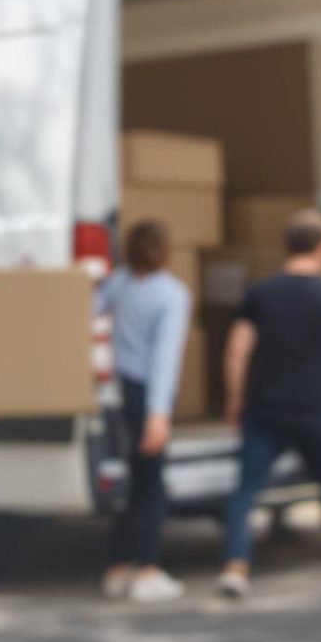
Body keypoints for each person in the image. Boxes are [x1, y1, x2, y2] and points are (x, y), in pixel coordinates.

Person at [220, 209, 321, 598]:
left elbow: (236, 351)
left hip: (265, 407)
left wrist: (234, 398)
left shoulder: (259, 294)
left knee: (246, 489)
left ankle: (236, 564)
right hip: (315, 408)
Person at [95, 220, 194, 602]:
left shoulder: (117, 283)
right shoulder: (171, 294)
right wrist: (159, 413)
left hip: (121, 390)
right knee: (152, 486)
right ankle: (148, 570)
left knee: (131, 485)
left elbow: (85, 308)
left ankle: (118, 567)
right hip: (150, 393)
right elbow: (165, 358)